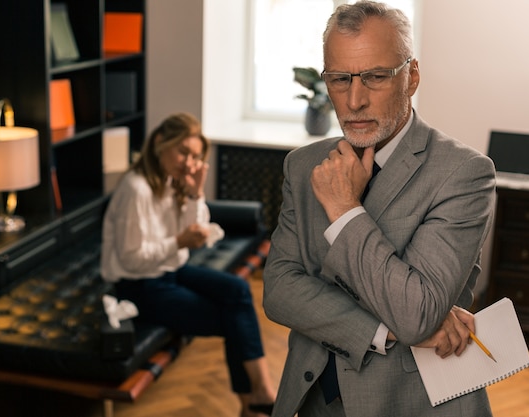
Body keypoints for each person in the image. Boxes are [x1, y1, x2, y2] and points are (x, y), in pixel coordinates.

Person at [262, 1, 496, 416]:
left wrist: (345, 211)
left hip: (411, 405)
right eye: (339, 79)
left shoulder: (464, 173)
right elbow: (279, 290)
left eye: (374, 77)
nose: (354, 100)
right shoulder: (302, 166)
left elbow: (417, 315)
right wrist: (381, 331)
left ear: (412, 76)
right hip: (310, 398)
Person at [100, 113, 276, 417]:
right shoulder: (136, 190)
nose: (188, 162)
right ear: (159, 143)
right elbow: (132, 258)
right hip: (138, 286)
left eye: (195, 155)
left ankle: (259, 394)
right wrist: (179, 241)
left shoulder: (172, 181)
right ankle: (256, 401)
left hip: (170, 271)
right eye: (183, 152)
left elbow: (198, 228)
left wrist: (195, 192)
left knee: (236, 290)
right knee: (234, 319)